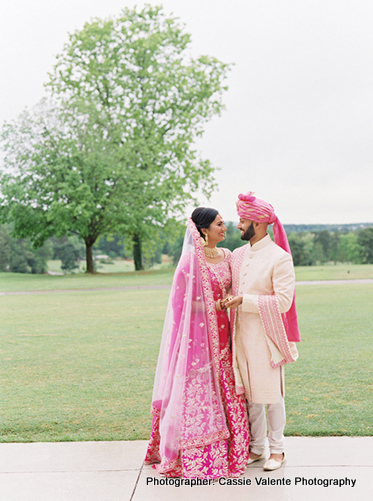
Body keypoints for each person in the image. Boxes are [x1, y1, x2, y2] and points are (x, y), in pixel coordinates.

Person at [145, 208, 250, 479]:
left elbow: (232, 287)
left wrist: (228, 300)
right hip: (198, 344)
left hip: (226, 338)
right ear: (203, 230)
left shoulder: (227, 256)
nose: (224, 228)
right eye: (219, 224)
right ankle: (198, 452)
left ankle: (236, 449)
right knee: (201, 394)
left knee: (229, 391)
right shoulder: (190, 261)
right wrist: (212, 305)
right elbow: (180, 304)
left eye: (224, 223)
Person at [225, 192, 301, 471]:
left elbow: (283, 301)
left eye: (242, 220)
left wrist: (245, 301)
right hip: (239, 336)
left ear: (258, 223)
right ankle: (256, 448)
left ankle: (277, 451)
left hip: (267, 338)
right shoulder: (237, 255)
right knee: (249, 396)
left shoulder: (279, 258)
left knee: (271, 396)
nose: (237, 226)